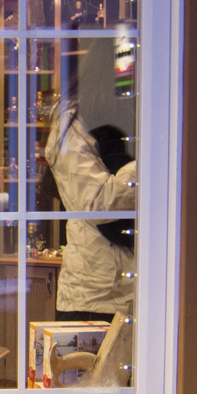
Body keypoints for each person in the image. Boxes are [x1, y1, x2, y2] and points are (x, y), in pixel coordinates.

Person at [44, 105, 136, 321]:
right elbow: (97, 203)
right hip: (93, 297)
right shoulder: (72, 125)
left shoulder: (132, 114)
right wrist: (143, 166)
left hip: (127, 293)